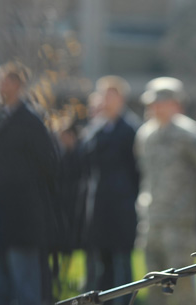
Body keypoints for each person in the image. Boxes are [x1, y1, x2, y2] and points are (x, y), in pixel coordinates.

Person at [134, 76, 196, 305]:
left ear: (175, 103)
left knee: (182, 287)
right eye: (151, 103)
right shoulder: (145, 135)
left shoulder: (190, 136)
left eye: (160, 102)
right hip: (152, 221)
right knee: (153, 284)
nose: (154, 108)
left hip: (180, 224)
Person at [0, 62, 58, 305]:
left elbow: (47, 163)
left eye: (6, 81)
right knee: (0, 273)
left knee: (24, 274)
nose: (0, 86)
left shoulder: (30, 120)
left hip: (22, 211)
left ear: (18, 84)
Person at [82, 76, 141, 305]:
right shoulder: (97, 129)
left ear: (121, 98)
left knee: (121, 261)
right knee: (102, 260)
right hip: (100, 205)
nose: (105, 100)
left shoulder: (130, 129)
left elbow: (135, 170)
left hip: (122, 205)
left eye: (109, 95)